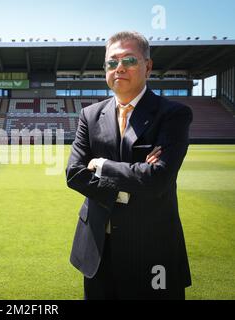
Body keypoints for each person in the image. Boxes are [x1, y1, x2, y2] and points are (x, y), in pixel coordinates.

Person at [66, 31, 192, 300]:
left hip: (152, 248)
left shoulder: (173, 114)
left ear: (148, 66)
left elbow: (157, 179)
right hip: (99, 248)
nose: (119, 68)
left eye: (129, 60)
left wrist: (100, 164)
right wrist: (129, 185)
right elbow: (75, 174)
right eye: (112, 62)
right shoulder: (89, 115)